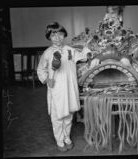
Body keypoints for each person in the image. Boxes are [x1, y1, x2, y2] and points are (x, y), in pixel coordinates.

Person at [37, 22, 89, 152]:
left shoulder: (70, 50)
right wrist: (46, 79)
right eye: (54, 35)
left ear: (64, 35)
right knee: (58, 116)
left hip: (70, 89)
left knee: (69, 115)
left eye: (60, 34)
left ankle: (67, 137)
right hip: (56, 89)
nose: (57, 38)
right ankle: (59, 140)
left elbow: (83, 56)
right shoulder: (47, 53)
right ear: (49, 37)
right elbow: (40, 70)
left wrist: (88, 46)